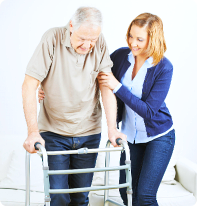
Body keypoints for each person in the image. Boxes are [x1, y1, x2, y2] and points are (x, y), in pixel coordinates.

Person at [22, 7, 126, 206]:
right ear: (71, 26)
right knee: (59, 196)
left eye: (92, 40)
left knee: (80, 197)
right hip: (54, 131)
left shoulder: (99, 42)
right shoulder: (52, 39)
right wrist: (32, 131)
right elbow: (29, 84)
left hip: (89, 131)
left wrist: (112, 128)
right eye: (82, 38)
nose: (87, 45)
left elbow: (106, 84)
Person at [97, 13, 175, 206]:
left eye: (140, 39)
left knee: (145, 197)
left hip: (159, 137)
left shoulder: (164, 67)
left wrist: (118, 87)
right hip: (130, 136)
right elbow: (94, 74)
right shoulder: (120, 56)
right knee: (126, 194)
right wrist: (48, 89)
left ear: (153, 39)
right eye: (131, 36)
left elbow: (149, 111)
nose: (133, 43)